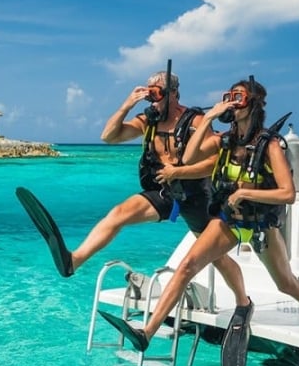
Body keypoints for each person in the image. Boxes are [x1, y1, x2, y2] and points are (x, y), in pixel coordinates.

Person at [97, 76, 299, 366]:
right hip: (230, 220)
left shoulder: (268, 145)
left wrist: (246, 193)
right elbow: (189, 156)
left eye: (238, 97)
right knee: (187, 265)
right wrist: (211, 118)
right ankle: (147, 333)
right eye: (228, 95)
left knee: (285, 283)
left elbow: (288, 194)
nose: (231, 101)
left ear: (253, 105)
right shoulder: (224, 140)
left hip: (260, 225)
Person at [16, 69, 251, 333]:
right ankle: (73, 261)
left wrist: (180, 171)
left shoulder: (195, 121)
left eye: (156, 93)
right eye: (148, 93)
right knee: (118, 214)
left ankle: (243, 303)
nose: (151, 99)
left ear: (173, 94)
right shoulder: (148, 121)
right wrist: (128, 104)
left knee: (216, 257)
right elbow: (109, 137)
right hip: (164, 192)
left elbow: (214, 162)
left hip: (197, 194)